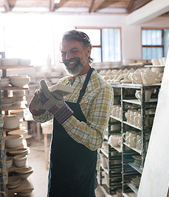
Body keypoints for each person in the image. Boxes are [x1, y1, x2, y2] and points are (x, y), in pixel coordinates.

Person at [29, 30, 114, 197]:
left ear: (88, 51)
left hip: (81, 174)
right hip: (58, 166)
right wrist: (37, 107)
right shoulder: (64, 83)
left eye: (73, 51)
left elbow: (95, 140)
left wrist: (63, 113)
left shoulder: (101, 89)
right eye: (63, 52)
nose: (67, 57)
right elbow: (43, 117)